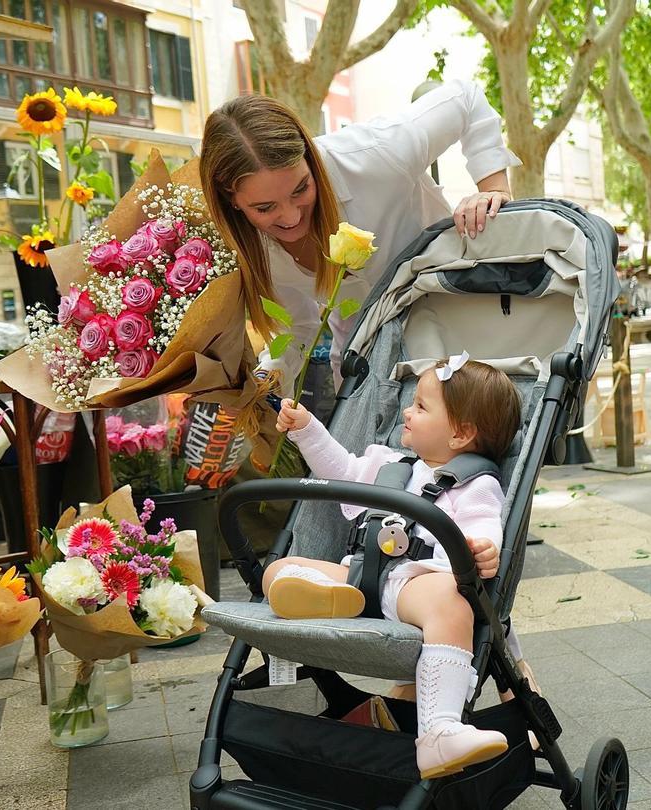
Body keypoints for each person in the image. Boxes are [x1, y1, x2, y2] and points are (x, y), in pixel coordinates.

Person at [261, 355, 521, 779]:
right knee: (280, 568)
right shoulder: (389, 466)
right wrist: (306, 429)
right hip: (360, 578)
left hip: (413, 586)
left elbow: (485, 527)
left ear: (460, 433)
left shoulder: (476, 486)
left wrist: (484, 549)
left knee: (451, 599)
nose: (406, 411)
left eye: (420, 406)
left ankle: (438, 732)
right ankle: (327, 597)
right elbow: (340, 469)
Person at [199, 81, 520, 395]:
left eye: (301, 190)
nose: (292, 217)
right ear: (232, 201)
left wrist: (493, 189)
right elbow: (298, 328)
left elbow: (465, 98)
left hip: (458, 327)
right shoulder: (244, 250)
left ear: (309, 159)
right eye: (265, 208)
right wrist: (267, 379)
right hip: (361, 370)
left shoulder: (377, 152)